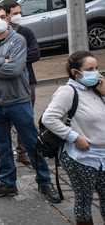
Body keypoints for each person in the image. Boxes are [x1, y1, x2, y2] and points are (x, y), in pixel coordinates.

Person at [0, 5, 60, 203]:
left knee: (32, 143)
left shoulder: (18, 40)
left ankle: (44, 182)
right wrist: (2, 61)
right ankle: (7, 183)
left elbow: (15, 70)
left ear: (8, 19)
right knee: (2, 146)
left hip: (18, 101)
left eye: (2, 16)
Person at [42, 51, 105, 225]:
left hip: (102, 156)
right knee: (84, 200)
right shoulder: (68, 91)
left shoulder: (97, 89)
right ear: (76, 73)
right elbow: (49, 118)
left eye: (97, 68)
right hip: (81, 158)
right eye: (90, 69)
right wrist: (74, 137)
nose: (96, 73)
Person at [6, 1, 41, 164]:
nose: (18, 16)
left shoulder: (26, 32)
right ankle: (5, 155)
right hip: (5, 84)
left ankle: (23, 152)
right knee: (6, 120)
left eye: (20, 12)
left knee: (26, 118)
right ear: (6, 16)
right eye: (15, 13)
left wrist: (13, 60)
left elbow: (35, 54)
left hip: (27, 80)